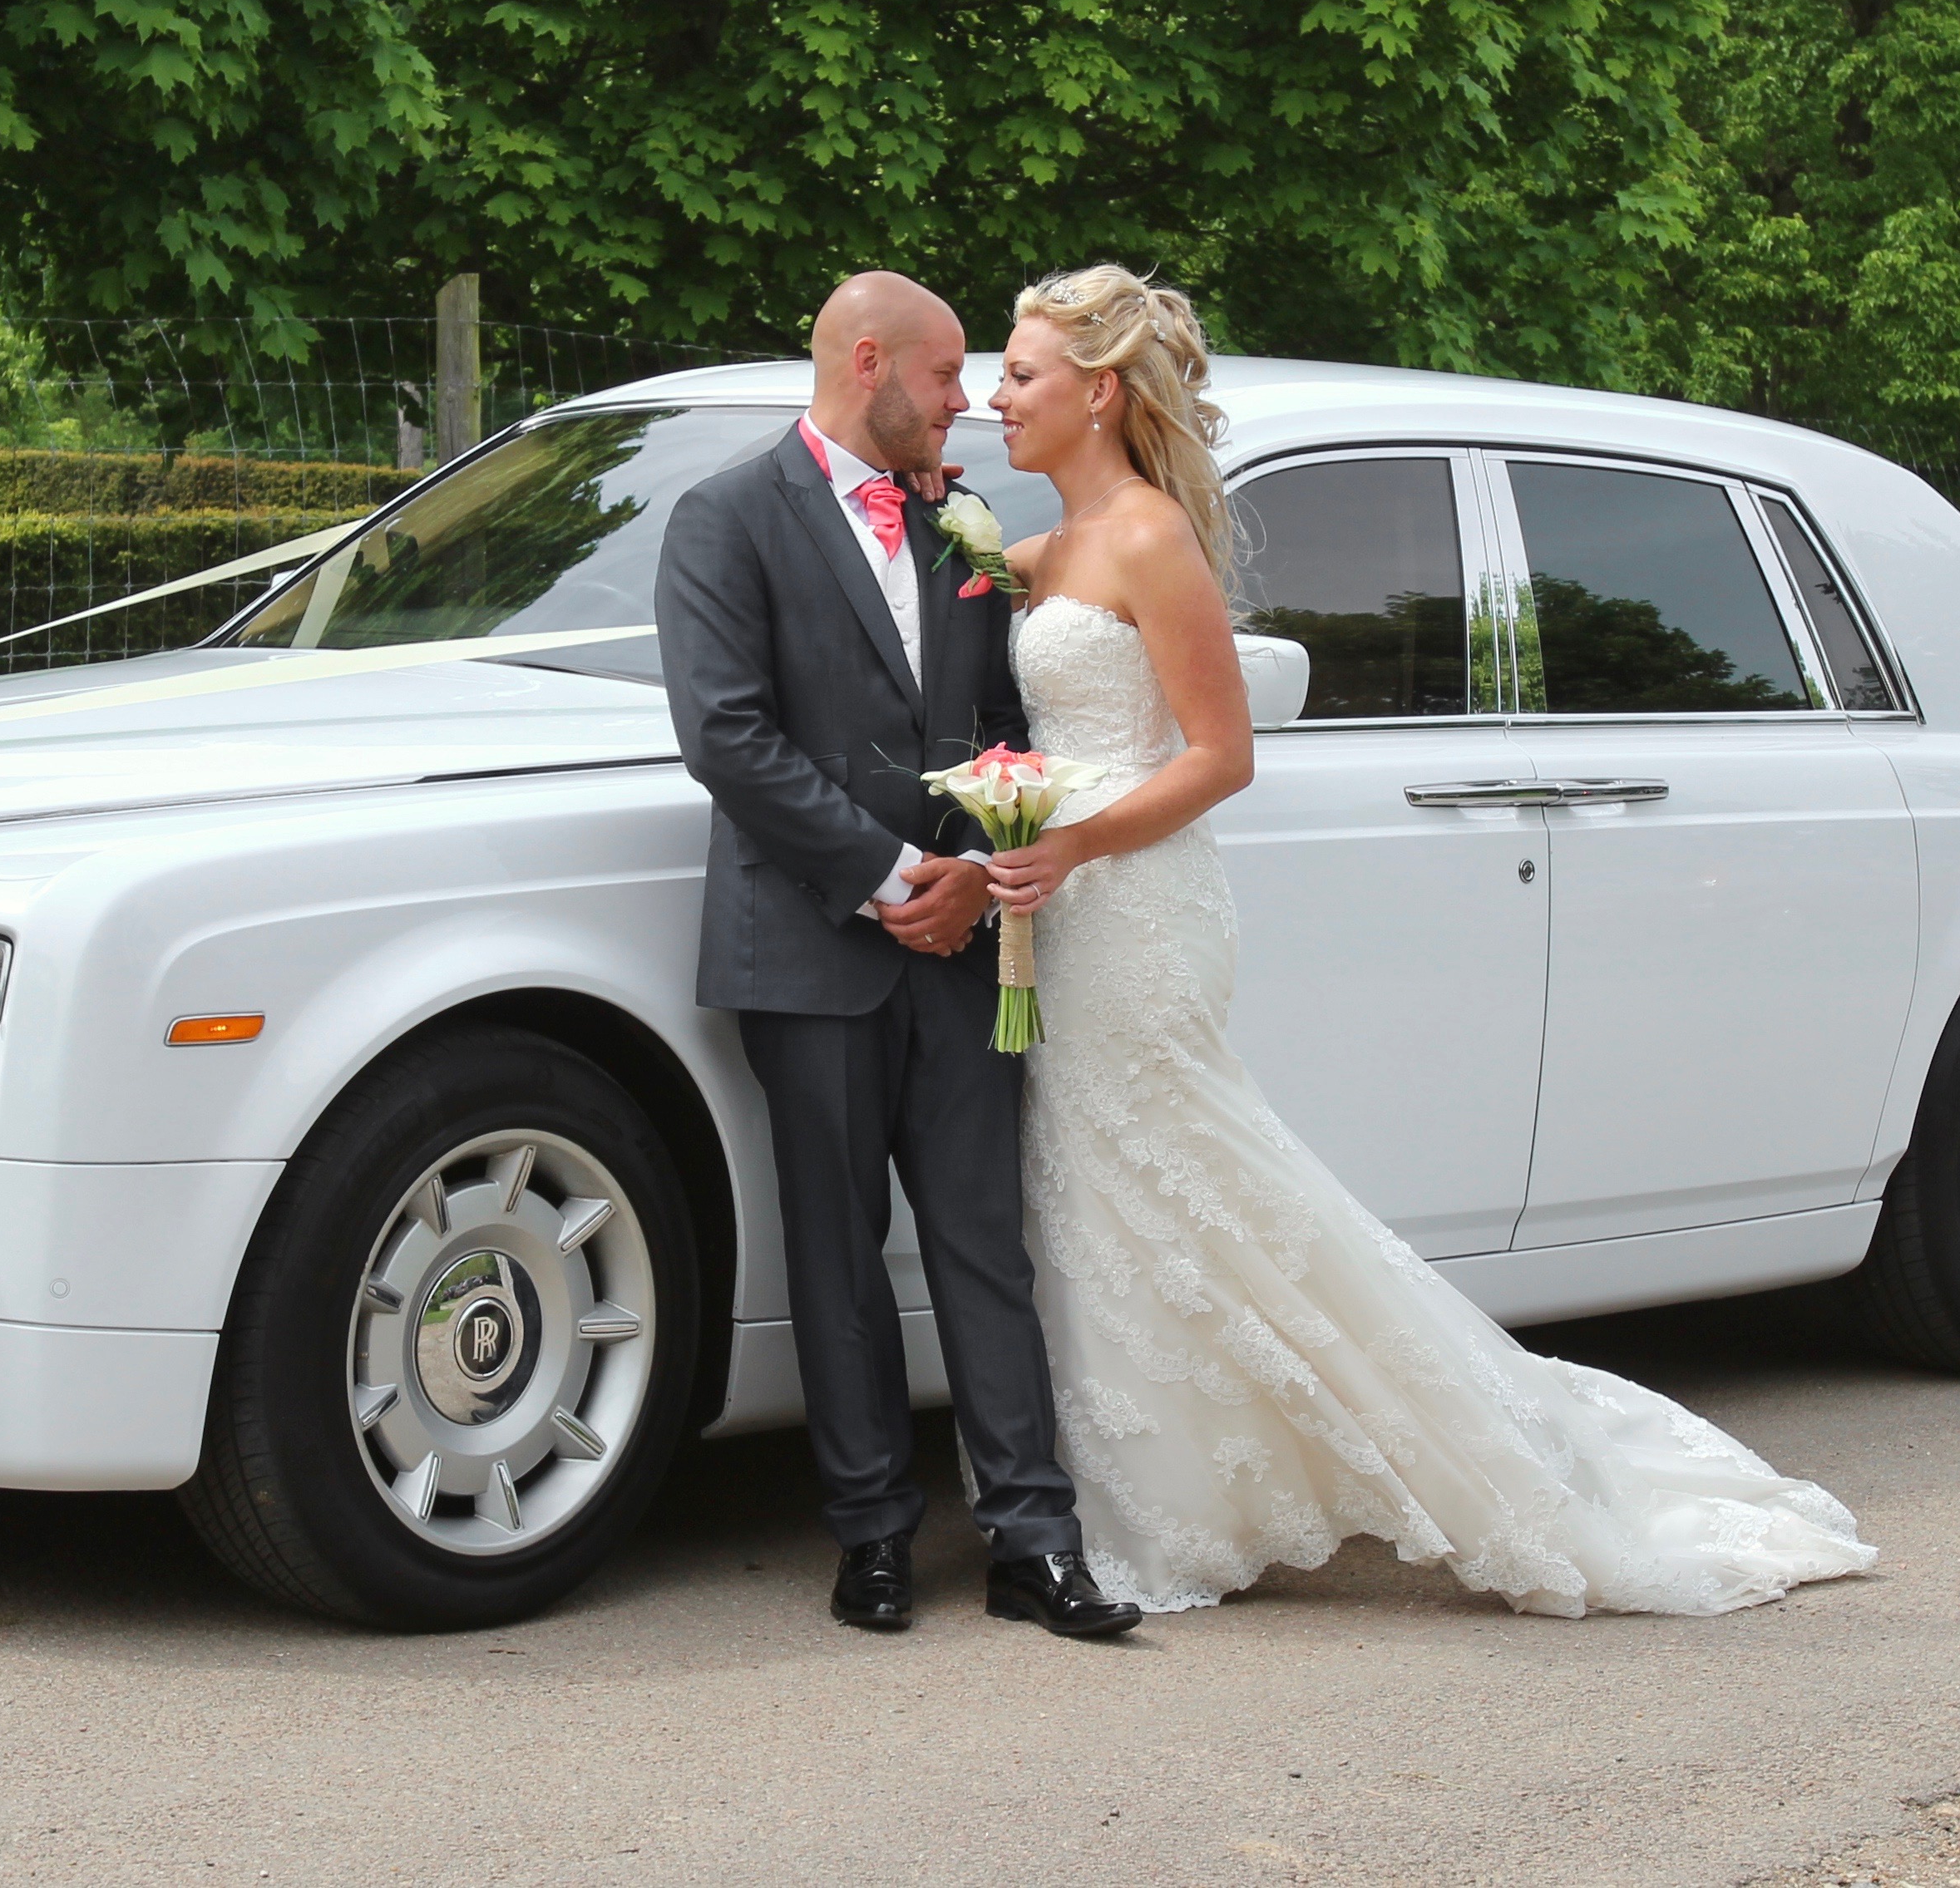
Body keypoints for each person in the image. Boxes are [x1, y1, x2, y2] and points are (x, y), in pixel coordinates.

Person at [978, 263, 1879, 1616]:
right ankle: (1168, 1490)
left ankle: (1432, 1457)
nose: (996, 397)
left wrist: (1073, 843)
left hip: (1136, 905)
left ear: (1099, 393)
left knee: (1190, 1176)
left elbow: (1222, 755)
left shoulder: (1151, 538)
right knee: (1102, 1196)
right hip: (1066, 910)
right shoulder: (1046, 548)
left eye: (1020, 373)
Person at [655, 270, 1143, 1639]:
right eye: (944, 375)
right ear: (868, 362)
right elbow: (727, 735)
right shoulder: (724, 517)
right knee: (836, 1253)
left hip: (967, 944)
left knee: (987, 1243)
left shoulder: (959, 525)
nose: (965, 401)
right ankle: (870, 1533)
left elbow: (1003, 717)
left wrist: (979, 869)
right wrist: (885, 880)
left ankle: (1034, 1542)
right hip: (810, 951)